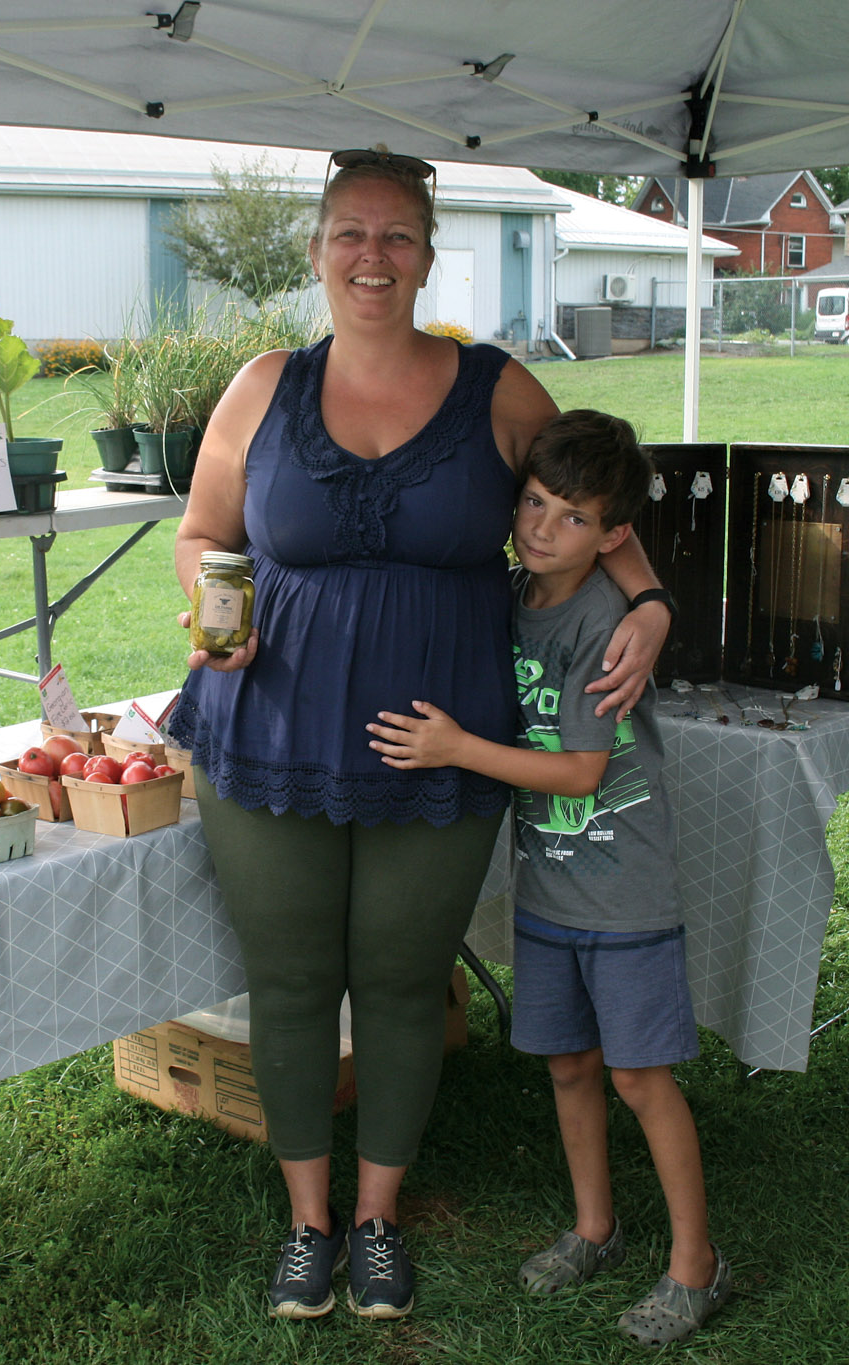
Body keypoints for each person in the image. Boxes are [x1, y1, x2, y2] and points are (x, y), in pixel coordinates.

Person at [169, 146, 672, 1322]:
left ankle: (378, 1219)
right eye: (350, 233)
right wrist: (210, 610)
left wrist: (646, 604)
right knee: (289, 982)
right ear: (316, 252)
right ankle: (307, 1226)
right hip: (268, 732)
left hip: (438, 746)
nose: (372, 257)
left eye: (397, 236)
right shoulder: (262, 387)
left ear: (429, 253)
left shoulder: (494, 391)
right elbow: (202, 533)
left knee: (400, 981)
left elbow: (597, 510)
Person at [368, 409, 728, 1347]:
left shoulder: (602, 621)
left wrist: (455, 748)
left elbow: (579, 771)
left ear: (614, 537)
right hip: (551, 889)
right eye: (532, 502)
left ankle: (697, 1264)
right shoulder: (512, 594)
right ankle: (595, 1227)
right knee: (570, 1066)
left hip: (623, 890)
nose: (539, 527)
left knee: (642, 1077)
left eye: (570, 517)